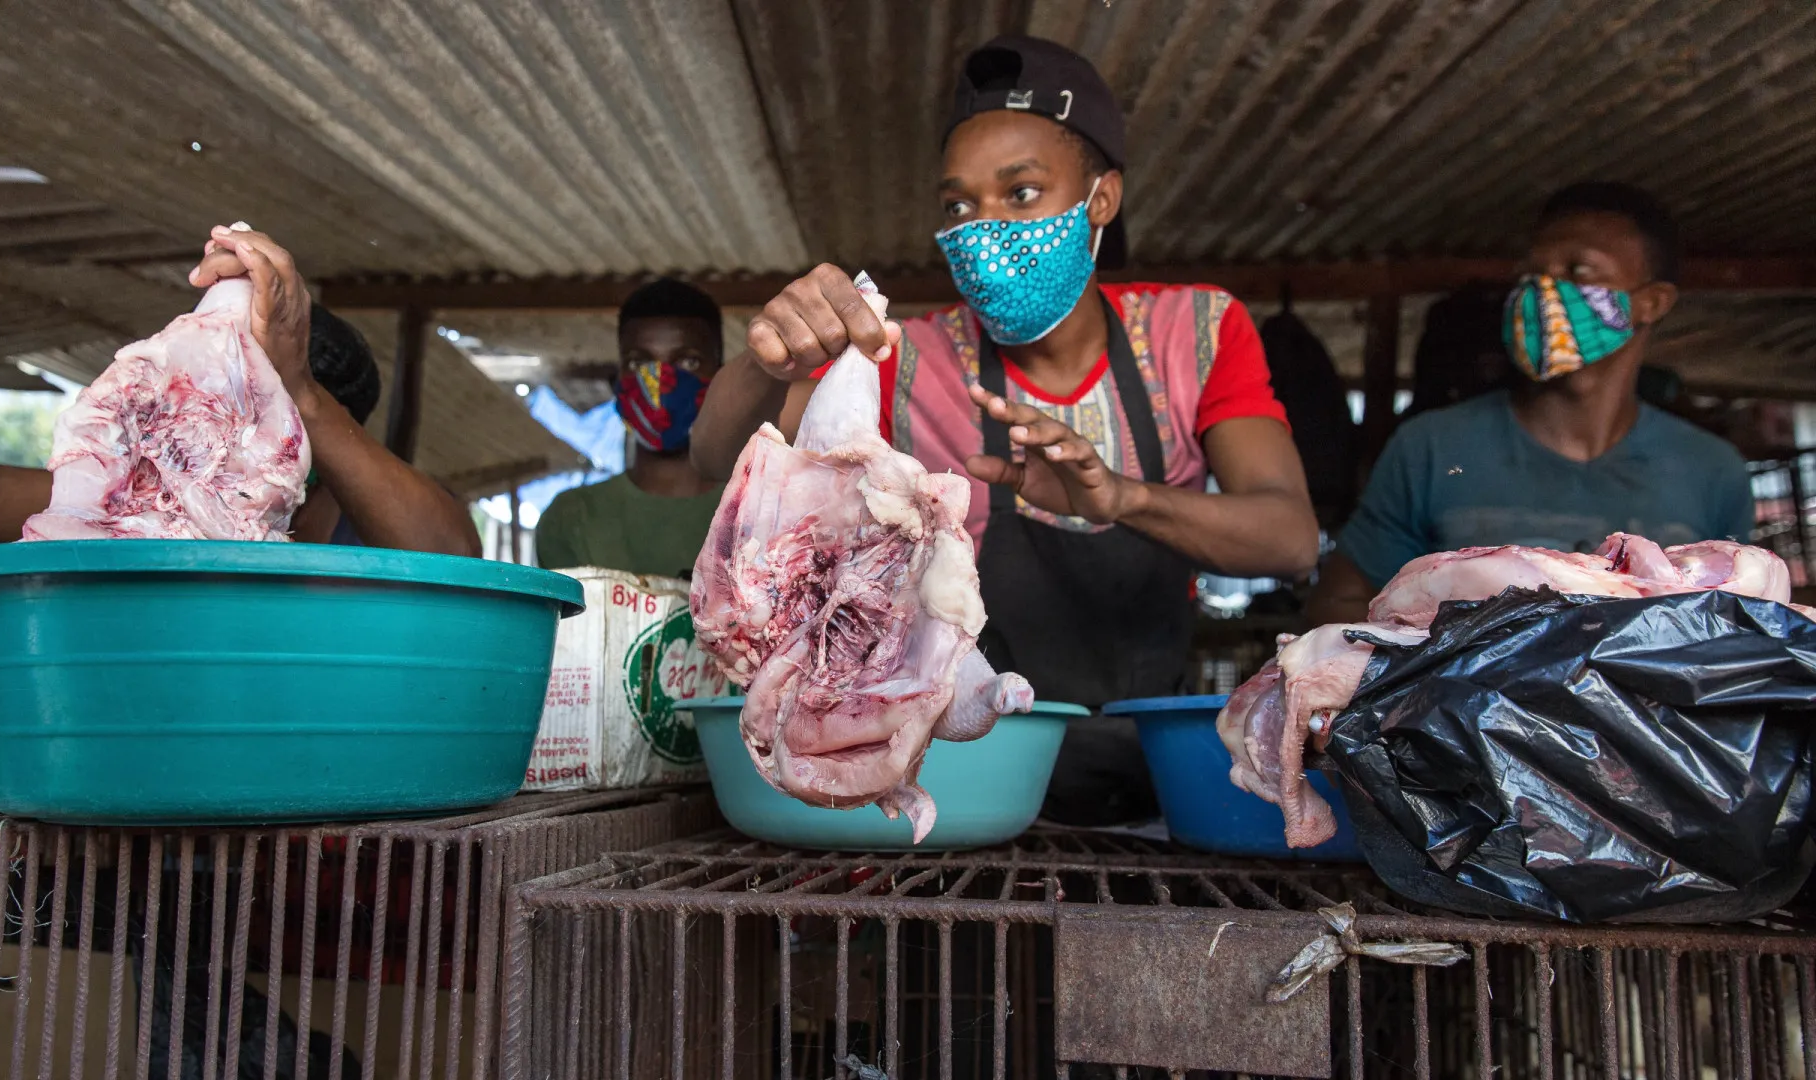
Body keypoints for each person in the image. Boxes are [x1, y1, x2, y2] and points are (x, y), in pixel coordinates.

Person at [690, 36, 1319, 826]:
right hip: (975, 781)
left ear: (1100, 199)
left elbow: (1290, 538)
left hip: (1157, 772)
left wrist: (1121, 499)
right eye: (958, 206)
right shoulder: (905, 357)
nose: (983, 229)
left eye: (1020, 194)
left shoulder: (1194, 331)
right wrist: (767, 357)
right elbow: (716, 457)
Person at [1307, 183, 1753, 625]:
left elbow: (1733, 624)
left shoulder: (1712, 471)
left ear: (1652, 303)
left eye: (1579, 272)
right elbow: (1340, 608)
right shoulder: (1433, 450)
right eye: (1531, 275)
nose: (1543, 291)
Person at [0, 225, 481, 557]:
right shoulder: (138, 500)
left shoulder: (373, 531)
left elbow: (454, 558)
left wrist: (297, 388)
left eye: (253, 402)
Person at [537, 280, 725, 577]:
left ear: (721, 378)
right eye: (640, 363)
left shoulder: (759, 512)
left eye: (688, 361)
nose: (660, 381)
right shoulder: (571, 519)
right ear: (618, 383)